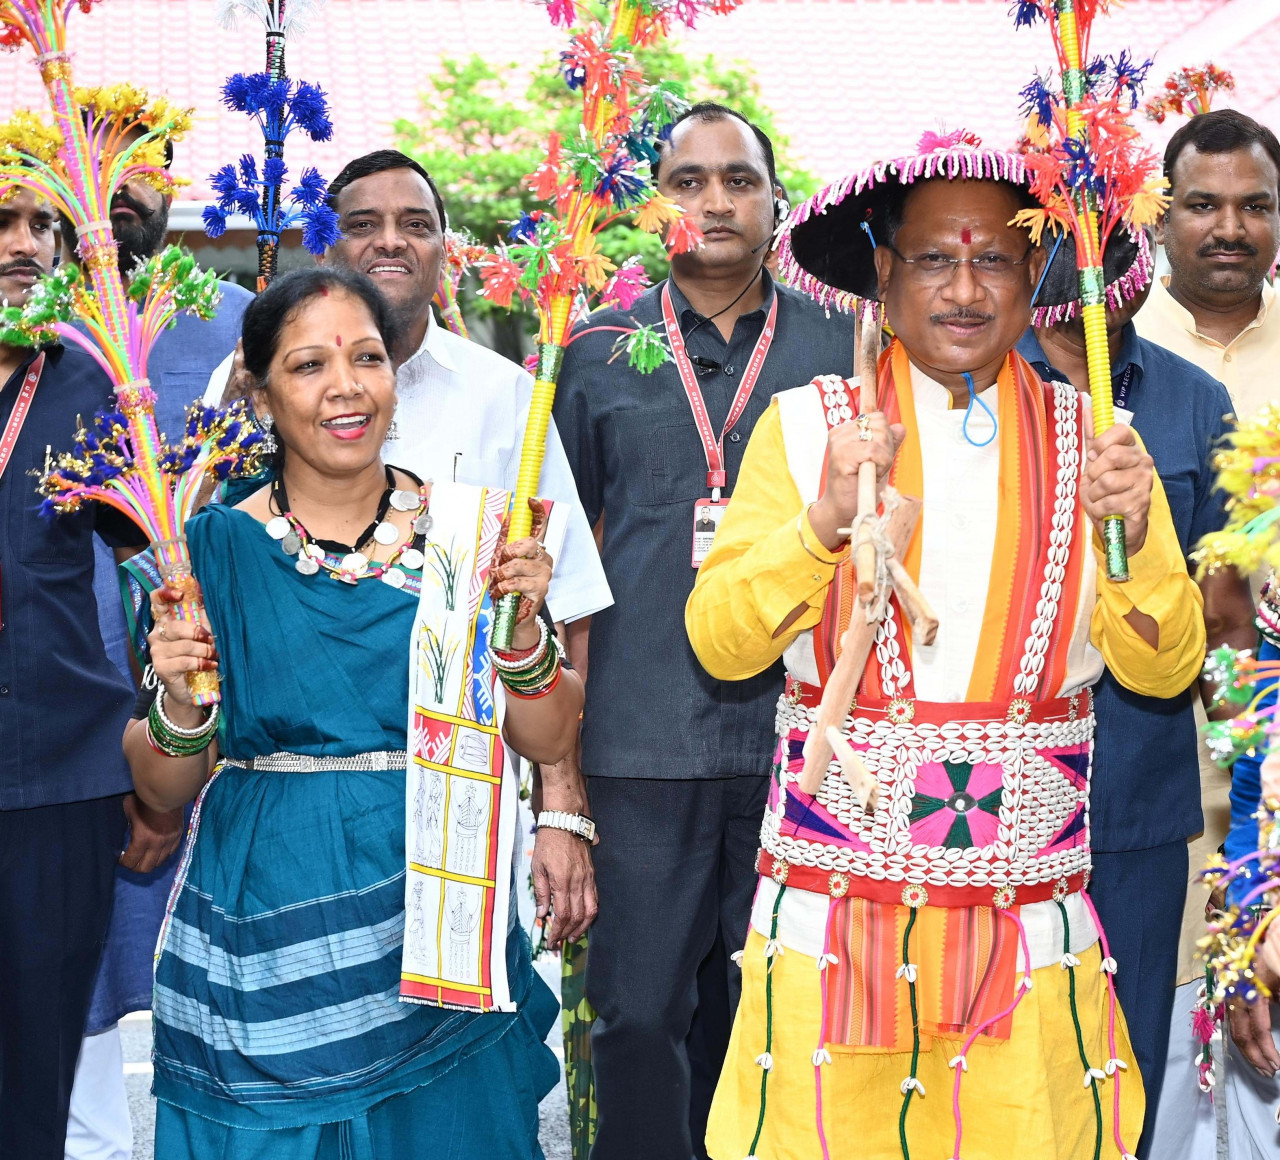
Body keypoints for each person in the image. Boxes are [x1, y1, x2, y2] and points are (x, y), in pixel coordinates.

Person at [686, 131, 1207, 1160]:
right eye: (933, 258)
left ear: (1033, 278)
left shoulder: (1097, 441)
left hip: (1023, 922)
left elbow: (1164, 666)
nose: (964, 288)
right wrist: (817, 526)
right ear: (882, 273)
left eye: (992, 260)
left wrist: (1139, 537)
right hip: (834, 919)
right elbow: (720, 642)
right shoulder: (803, 431)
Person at [120, 265, 585, 1157]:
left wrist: (522, 634)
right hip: (266, 937)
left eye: (366, 357)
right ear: (259, 393)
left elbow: (549, 731)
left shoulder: (471, 535)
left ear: (393, 378)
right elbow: (161, 785)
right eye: (307, 365)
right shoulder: (206, 552)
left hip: (439, 922)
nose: (345, 386)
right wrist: (182, 701)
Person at [552, 102, 857, 1160]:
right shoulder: (588, 349)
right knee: (635, 1012)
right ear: (654, 203)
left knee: (773, 1006)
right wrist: (558, 776)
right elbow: (558, 563)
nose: (715, 200)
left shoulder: (844, 340)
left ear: (777, 199)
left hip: (806, 744)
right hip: (639, 738)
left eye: (738, 178)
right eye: (687, 181)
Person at [1017, 227, 1252, 1159]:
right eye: (1069, 250)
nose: (1095, 273)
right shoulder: (981, 391)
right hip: (997, 799)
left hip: (1138, 800)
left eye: (1117, 247)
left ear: (1143, 262)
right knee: (1002, 1067)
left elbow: (1226, 625)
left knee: (1123, 1071)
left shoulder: (1198, 402)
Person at [60, 120, 254, 1160]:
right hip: (44, 727)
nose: (121, 183)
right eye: (96, 156)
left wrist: (174, 755)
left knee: (213, 1011)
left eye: (142, 155)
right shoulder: (33, 331)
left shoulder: (234, 325)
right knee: (57, 1013)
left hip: (194, 732)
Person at [0, 188, 145, 1159]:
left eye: (41, 226)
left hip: (59, 764)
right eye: (0, 223)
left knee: (36, 1056)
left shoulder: (93, 381)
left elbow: (159, 545)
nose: (21, 244)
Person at [1135, 109, 1280, 421]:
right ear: (1160, 222)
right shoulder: (1113, 340)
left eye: (1254, 206)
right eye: (1204, 206)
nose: (1230, 230)